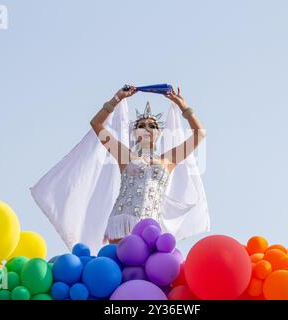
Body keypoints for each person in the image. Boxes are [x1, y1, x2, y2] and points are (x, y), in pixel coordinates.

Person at [30, 84, 210, 253]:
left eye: (152, 125)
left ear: (159, 133)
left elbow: (199, 134)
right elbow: (97, 124)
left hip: (151, 224)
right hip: (123, 221)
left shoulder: (168, 160)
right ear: (134, 132)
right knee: (120, 266)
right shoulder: (126, 156)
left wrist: (182, 105)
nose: (147, 129)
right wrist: (117, 98)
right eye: (141, 125)